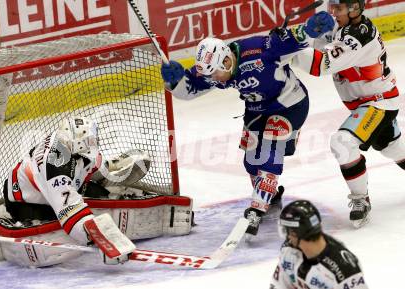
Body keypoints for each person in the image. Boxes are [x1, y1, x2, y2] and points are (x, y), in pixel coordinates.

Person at [160, 13, 334, 238]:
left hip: (289, 104)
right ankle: (269, 197)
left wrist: (310, 30)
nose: (216, 80)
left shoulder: (260, 50)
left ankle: (257, 207)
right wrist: (174, 82)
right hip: (256, 110)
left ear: (226, 60)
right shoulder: (213, 69)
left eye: (217, 74)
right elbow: (188, 90)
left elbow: (294, 39)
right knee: (251, 160)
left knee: (271, 147)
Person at [0, 116, 151, 266]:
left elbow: (86, 160)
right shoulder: (54, 164)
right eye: (88, 143)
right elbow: (71, 216)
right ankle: (39, 219)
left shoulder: (70, 145)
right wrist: (104, 241)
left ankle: (103, 183)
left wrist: (104, 169)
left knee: (96, 192)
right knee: (84, 212)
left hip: (48, 188)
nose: (92, 146)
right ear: (76, 144)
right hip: (26, 204)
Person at [293, 1, 404, 228]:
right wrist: (301, 34)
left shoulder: (358, 36)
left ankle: (360, 200)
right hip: (370, 102)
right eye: (333, 7)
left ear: (355, 9)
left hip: (378, 103)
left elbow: (320, 65)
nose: (333, 13)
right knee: (392, 148)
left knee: (342, 143)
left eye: (339, 9)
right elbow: (316, 45)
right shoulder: (341, 29)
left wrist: (287, 48)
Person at [270, 200, 369, 289]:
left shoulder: (345, 272)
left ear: (295, 233)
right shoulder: (289, 250)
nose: (288, 237)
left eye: (286, 231)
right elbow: (278, 284)